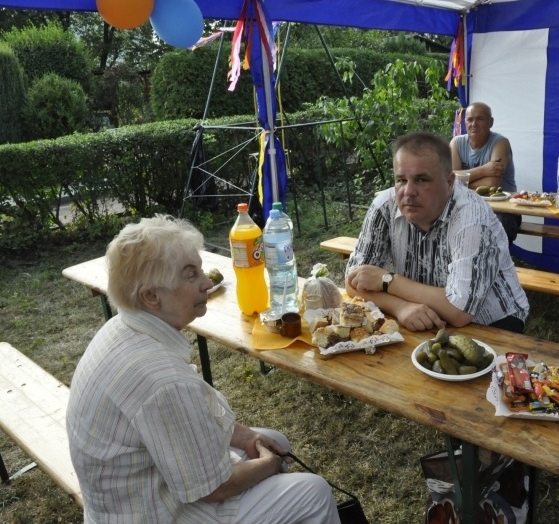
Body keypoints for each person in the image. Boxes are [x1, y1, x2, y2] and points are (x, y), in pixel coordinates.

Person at [66, 215, 340, 524]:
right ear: (151, 296)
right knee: (313, 492)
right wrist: (270, 463)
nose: (207, 283)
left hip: (135, 496)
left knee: (268, 438)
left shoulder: (122, 327)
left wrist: (249, 438)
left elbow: (184, 426)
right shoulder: (161, 379)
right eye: (190, 275)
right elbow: (215, 488)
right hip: (154, 512)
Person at [345, 131, 529, 334]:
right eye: (401, 180)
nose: (408, 192)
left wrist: (386, 280)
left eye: (422, 180)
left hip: (491, 322)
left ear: (449, 182)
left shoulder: (471, 216)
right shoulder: (384, 206)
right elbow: (353, 281)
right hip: (421, 312)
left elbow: (459, 311)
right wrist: (400, 307)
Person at [450, 102, 522, 242]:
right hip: (468, 206)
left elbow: (491, 184)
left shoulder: (501, 143)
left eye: (480, 119)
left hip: (503, 210)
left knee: (493, 238)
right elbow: (450, 179)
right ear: (465, 123)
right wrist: (484, 170)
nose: (474, 124)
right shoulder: (456, 143)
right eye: (470, 119)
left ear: (491, 122)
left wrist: (462, 178)